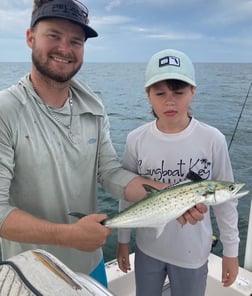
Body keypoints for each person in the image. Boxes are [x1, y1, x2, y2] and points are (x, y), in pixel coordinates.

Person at [0, 0, 176, 287]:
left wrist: (166, 194)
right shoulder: (6, 110)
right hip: (31, 272)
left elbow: (109, 173)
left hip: (90, 266)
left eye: (76, 41)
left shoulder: (93, 106)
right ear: (30, 38)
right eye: (54, 36)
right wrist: (67, 235)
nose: (65, 49)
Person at [117, 49, 239, 296]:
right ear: (148, 95)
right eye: (160, 93)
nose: (169, 101)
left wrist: (231, 253)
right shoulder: (135, 139)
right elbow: (126, 194)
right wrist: (122, 242)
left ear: (193, 91)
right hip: (147, 249)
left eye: (179, 92)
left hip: (192, 254)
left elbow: (226, 203)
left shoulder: (213, 139)